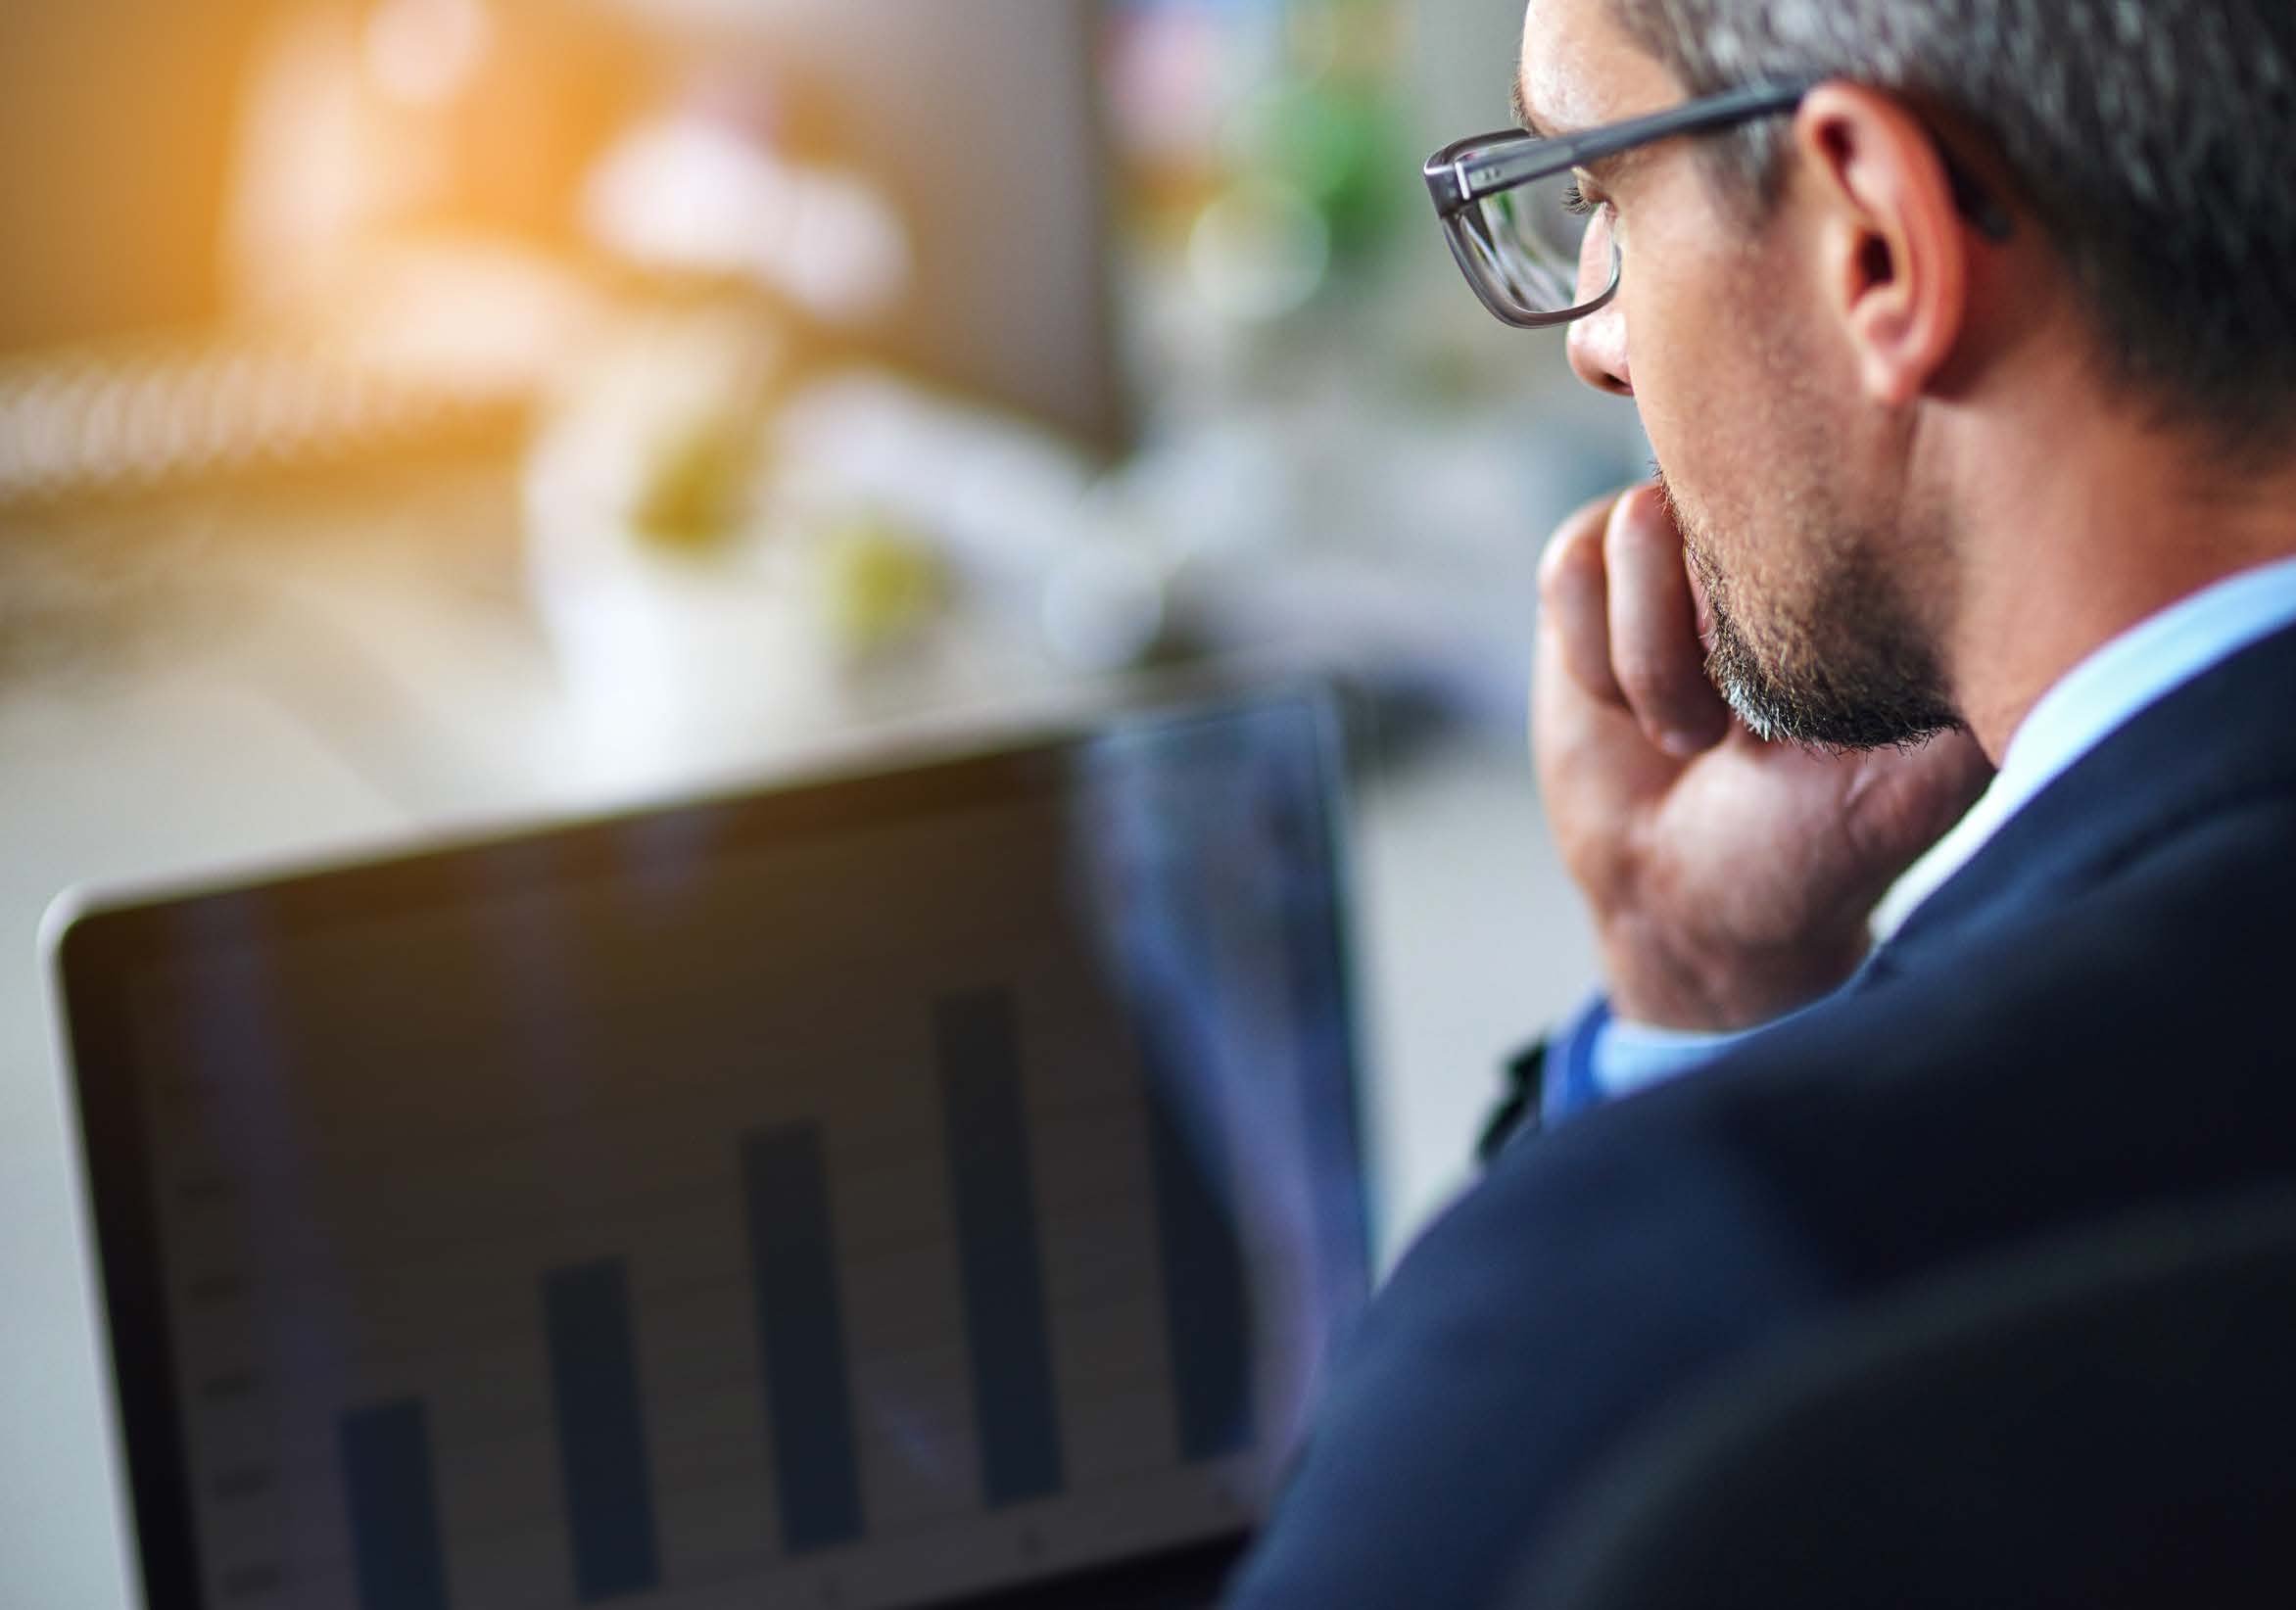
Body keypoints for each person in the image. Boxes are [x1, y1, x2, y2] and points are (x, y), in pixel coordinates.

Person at [1223, 0, 2296, 1604]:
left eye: (1596, 190)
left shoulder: (1700, 1307)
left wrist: (1669, 1084)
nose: (1593, 335)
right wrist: (1706, 974)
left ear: (1876, 241)